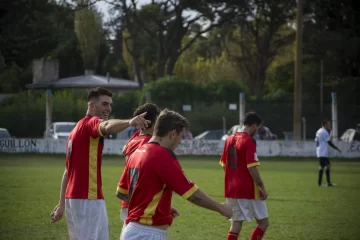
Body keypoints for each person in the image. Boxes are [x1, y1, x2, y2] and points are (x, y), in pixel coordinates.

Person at [49, 87, 150, 240]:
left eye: (110, 105)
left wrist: (62, 204)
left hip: (73, 200)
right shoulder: (91, 123)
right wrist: (130, 122)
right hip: (87, 199)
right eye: (104, 104)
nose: (108, 108)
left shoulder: (75, 130)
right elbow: (106, 126)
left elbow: (67, 171)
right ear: (91, 106)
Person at [116, 109, 232, 240]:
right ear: (173, 133)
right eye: (181, 136)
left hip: (134, 230)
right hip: (146, 234)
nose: (180, 142)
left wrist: (159, 208)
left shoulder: (137, 152)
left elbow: (123, 192)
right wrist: (221, 208)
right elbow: (191, 193)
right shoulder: (161, 155)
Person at [220, 112, 269, 240]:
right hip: (249, 189)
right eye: (257, 127)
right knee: (263, 223)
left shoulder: (229, 139)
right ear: (253, 126)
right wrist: (262, 187)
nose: (257, 130)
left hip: (232, 189)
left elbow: (225, 165)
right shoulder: (248, 141)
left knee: (236, 224)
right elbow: (252, 167)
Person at [119, 103, 161, 232]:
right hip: (140, 201)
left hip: (128, 197)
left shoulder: (135, 138)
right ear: (154, 123)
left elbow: (123, 150)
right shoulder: (149, 144)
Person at [315, 120, 341, 187]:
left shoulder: (319, 131)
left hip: (319, 151)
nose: (329, 125)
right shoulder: (324, 132)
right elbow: (329, 142)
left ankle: (321, 183)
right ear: (325, 124)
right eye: (328, 124)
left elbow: (320, 140)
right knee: (326, 166)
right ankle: (325, 183)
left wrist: (330, 133)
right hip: (323, 152)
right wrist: (336, 148)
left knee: (324, 166)